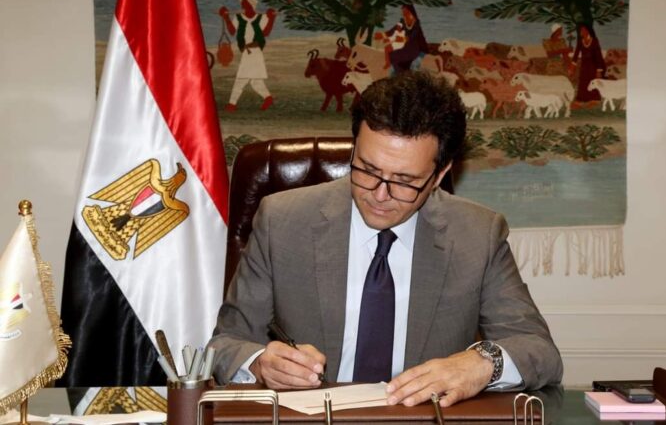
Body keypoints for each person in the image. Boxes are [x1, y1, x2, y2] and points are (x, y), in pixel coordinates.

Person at [209, 71, 562, 407]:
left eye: (405, 181)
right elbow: (224, 345)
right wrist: (260, 363)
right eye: (368, 170)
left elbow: (540, 352)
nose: (379, 195)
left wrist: (481, 364)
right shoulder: (282, 221)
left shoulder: (477, 234)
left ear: (439, 174)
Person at [218, 0, 276, 112]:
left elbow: (266, 33)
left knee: (241, 79)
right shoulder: (238, 17)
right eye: (242, 2)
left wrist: (271, 19)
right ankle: (268, 98)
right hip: (247, 52)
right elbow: (232, 32)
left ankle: (232, 104)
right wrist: (226, 17)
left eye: (244, 2)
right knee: (255, 81)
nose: (242, 4)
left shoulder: (261, 17)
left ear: (251, 3)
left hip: (255, 52)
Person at [375, 4, 429, 74]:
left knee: (402, 59)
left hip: (416, 49)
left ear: (412, 13)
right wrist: (382, 35)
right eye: (404, 14)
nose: (405, 16)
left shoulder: (416, 24)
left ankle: (403, 73)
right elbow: (392, 31)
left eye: (407, 13)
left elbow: (412, 37)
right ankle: (400, 73)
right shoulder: (403, 22)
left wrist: (402, 39)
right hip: (407, 47)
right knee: (393, 55)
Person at [570, 24, 606, 103]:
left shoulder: (594, 41)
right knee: (583, 82)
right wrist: (572, 67)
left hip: (593, 67)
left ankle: (594, 99)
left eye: (583, 30)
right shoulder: (580, 41)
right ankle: (581, 99)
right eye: (580, 30)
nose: (581, 32)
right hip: (584, 67)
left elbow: (599, 56)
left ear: (587, 31)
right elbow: (576, 54)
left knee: (592, 82)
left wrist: (599, 70)